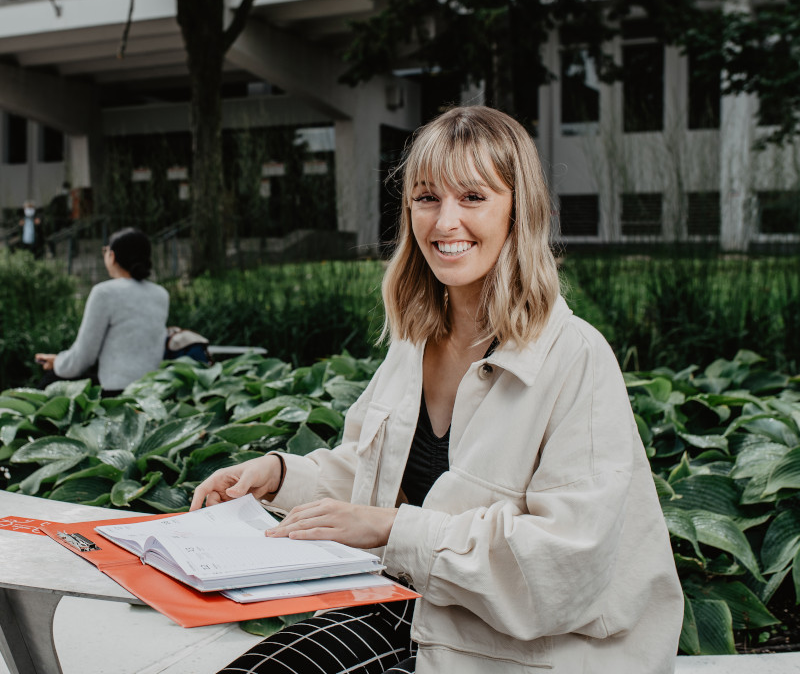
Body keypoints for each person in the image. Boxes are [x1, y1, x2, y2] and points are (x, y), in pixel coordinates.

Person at [192, 106, 683, 674]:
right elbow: (375, 474)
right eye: (427, 198)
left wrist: (393, 531)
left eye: (472, 197)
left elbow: (563, 566)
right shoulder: (415, 341)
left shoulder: (576, 357)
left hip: (529, 654)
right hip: (415, 610)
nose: (445, 222)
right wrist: (279, 476)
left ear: (518, 212)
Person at [35, 227, 169, 397]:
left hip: (115, 393)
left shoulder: (104, 292)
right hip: (151, 392)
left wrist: (58, 362)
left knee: (50, 382)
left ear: (112, 256)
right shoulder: (161, 294)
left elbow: (84, 356)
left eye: (105, 250)